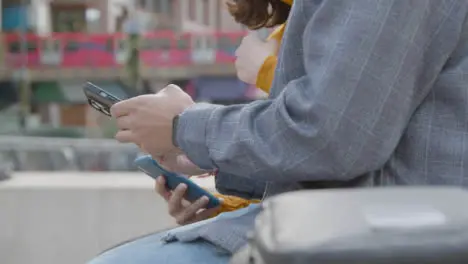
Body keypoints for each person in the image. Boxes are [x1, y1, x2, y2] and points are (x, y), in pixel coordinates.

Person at [89, 1, 468, 263]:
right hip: (369, 224)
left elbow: (329, 137)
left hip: (374, 237)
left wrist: (183, 127)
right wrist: (212, 166)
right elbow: (355, 142)